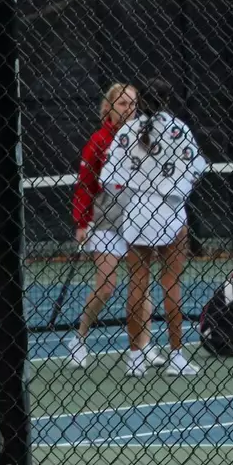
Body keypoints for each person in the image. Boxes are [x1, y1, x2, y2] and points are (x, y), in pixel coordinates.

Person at [99, 77, 209, 376]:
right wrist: (175, 191)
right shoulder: (178, 129)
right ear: (168, 99)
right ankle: (176, 356)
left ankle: (135, 357)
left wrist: (133, 195)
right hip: (171, 211)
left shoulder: (127, 131)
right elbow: (197, 169)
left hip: (137, 213)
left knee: (137, 284)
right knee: (171, 284)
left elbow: (109, 178)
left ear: (141, 101)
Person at [67, 82, 164, 369]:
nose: (129, 109)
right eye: (122, 104)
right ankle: (79, 339)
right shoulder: (98, 141)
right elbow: (85, 185)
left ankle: (144, 345)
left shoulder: (146, 138)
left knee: (141, 286)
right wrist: (82, 222)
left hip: (139, 222)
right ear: (108, 108)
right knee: (107, 286)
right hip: (107, 222)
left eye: (133, 104)